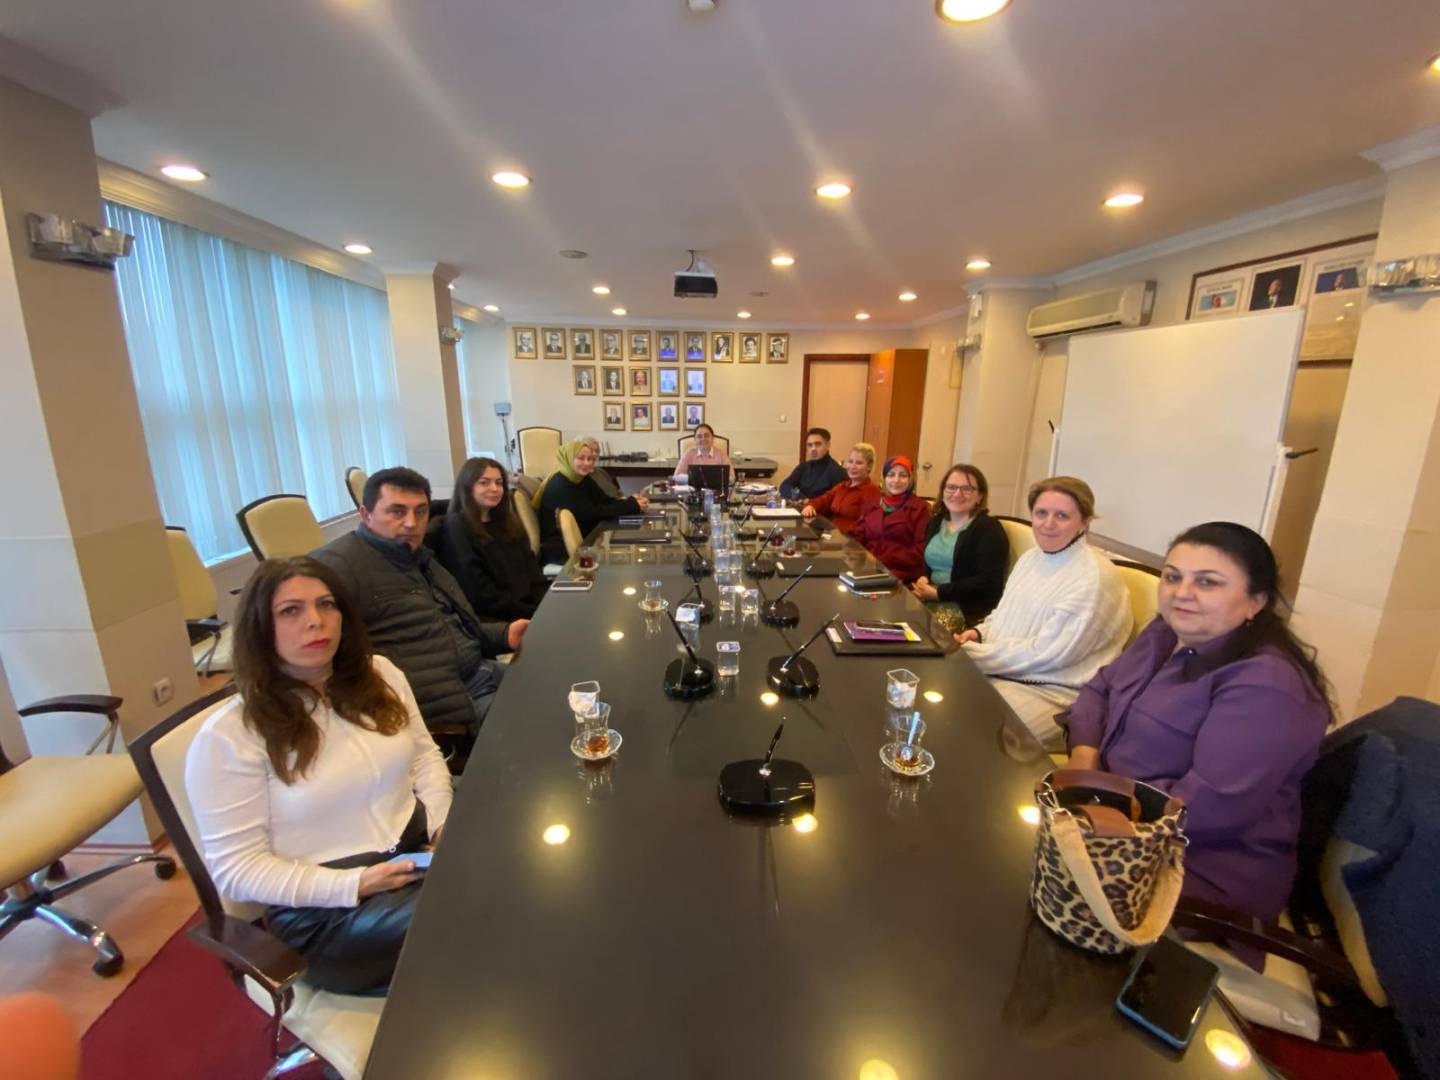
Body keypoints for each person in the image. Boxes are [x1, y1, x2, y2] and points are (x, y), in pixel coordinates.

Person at [185, 557, 452, 994]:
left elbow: (424, 757)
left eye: (326, 604)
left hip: (418, 855)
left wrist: (441, 824)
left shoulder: (380, 674)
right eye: (291, 610)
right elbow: (237, 870)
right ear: (260, 628)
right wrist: (354, 883)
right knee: (485, 911)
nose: (315, 621)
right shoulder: (230, 736)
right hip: (329, 912)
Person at [1066, 523, 1331, 959]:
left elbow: (1202, 809)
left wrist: (1088, 806)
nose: (1181, 593)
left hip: (1192, 868)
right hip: (1110, 819)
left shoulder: (1267, 685)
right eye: (1172, 576)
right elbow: (1099, 689)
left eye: (1207, 582)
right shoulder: (1166, 632)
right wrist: (1084, 758)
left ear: (1257, 601)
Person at [311, 467, 525, 737]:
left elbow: (448, 628)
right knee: (547, 725)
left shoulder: (417, 557)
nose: (412, 523)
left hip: (480, 674)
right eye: (397, 511)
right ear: (366, 514)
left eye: (421, 511)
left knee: (563, 683)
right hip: (450, 709)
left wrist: (505, 634)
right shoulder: (335, 568)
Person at [954, 476, 1131, 748]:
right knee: (938, 700)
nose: (1048, 524)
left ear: (1084, 521)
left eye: (1062, 516)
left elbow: (1049, 654)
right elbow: (1003, 615)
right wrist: (979, 634)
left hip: (1053, 691)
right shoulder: (1031, 558)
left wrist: (971, 655)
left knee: (971, 731)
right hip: (1003, 668)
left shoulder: (1094, 577)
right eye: (1041, 513)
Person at [427, 457, 548, 621]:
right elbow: (481, 596)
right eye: (484, 483)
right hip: (498, 619)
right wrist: (533, 613)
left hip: (528, 610)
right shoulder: (457, 527)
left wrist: (546, 604)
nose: (495, 489)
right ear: (467, 487)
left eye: (499, 483)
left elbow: (533, 570)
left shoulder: (507, 522)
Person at [910, 463, 1009, 631]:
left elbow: (988, 582)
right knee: (892, 613)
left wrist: (939, 592)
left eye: (966, 489)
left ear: (980, 496)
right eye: (951, 487)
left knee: (917, 629)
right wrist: (924, 578)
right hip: (932, 597)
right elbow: (929, 561)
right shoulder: (936, 522)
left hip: (967, 608)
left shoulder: (989, 529)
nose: (957, 494)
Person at [536, 440, 648, 562]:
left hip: (586, 537)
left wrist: (632, 502)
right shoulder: (560, 484)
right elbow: (591, 513)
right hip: (561, 550)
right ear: (567, 458)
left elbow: (604, 500)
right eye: (581, 458)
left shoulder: (581, 478)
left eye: (590, 459)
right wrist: (630, 506)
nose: (587, 463)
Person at [849, 455, 930, 583]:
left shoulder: (920, 508)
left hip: (901, 574)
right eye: (891, 475)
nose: (896, 480)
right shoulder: (872, 502)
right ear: (884, 478)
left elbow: (920, 551)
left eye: (903, 475)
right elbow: (858, 535)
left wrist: (881, 557)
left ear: (910, 479)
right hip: (867, 568)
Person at [800, 442, 881, 535]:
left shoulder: (871, 491)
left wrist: (840, 533)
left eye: (858, 463)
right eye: (850, 461)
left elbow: (866, 526)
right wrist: (811, 506)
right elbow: (825, 499)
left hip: (850, 539)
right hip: (831, 533)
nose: (852, 466)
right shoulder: (843, 486)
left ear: (869, 466)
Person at [778, 427, 847, 501]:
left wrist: (812, 503)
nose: (813, 449)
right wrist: (803, 498)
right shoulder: (804, 466)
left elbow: (837, 502)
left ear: (828, 445)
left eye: (818, 444)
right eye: (810, 445)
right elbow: (784, 486)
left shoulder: (837, 471)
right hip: (801, 505)